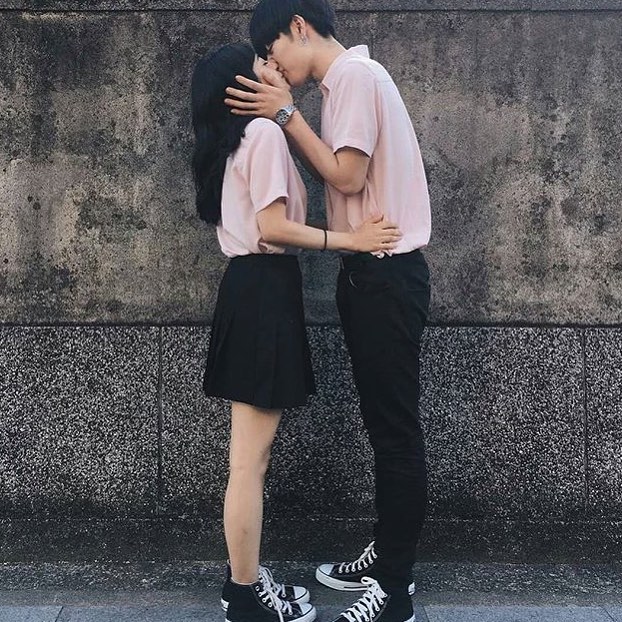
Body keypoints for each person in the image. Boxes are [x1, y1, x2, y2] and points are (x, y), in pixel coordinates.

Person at [224, 2, 433, 621]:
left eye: (274, 53)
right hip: (368, 275)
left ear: (298, 26)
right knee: (384, 428)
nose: (275, 68)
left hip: (387, 275)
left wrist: (285, 115)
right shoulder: (345, 85)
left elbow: (347, 177)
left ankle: (395, 588)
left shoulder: (356, 78)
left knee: (394, 433)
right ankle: (386, 555)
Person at [191, 41, 402, 622]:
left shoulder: (243, 140)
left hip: (254, 291)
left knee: (247, 461)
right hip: (262, 293)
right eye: (259, 62)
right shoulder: (260, 135)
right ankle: (244, 594)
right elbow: (273, 228)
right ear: (242, 84)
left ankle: (243, 582)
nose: (272, 65)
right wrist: (351, 240)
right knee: (249, 463)